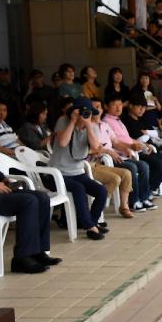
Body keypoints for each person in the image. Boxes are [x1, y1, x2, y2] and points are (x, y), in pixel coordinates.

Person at [0, 155, 61, 274]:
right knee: (28, 201)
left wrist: (4, 179)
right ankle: (21, 258)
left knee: (42, 198)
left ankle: (38, 251)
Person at [48, 97, 108, 240]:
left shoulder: (91, 126)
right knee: (78, 188)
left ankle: (91, 223)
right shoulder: (63, 121)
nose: (84, 115)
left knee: (101, 191)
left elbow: (94, 147)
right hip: (57, 173)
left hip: (77, 172)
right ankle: (90, 227)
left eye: (87, 112)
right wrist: (73, 121)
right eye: (82, 112)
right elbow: (62, 142)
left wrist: (87, 125)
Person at [99, 95, 156, 213]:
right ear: (106, 107)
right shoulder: (106, 121)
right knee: (132, 167)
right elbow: (110, 145)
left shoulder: (114, 121)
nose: (118, 107)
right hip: (108, 158)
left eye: (120, 104)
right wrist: (127, 148)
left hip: (122, 154)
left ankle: (144, 198)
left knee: (144, 166)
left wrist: (129, 147)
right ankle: (133, 201)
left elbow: (118, 141)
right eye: (115, 105)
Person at [87, 99, 135, 219]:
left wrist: (126, 148)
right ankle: (97, 209)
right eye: (94, 107)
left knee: (127, 173)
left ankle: (124, 207)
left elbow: (116, 142)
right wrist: (107, 151)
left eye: (99, 106)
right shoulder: (87, 127)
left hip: (103, 160)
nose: (97, 109)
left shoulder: (105, 125)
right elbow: (92, 149)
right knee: (116, 178)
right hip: (93, 162)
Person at [121, 96, 162, 189]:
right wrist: (146, 136)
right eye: (139, 107)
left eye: (144, 107)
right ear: (130, 106)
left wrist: (146, 134)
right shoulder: (125, 120)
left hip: (149, 147)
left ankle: (151, 188)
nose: (142, 110)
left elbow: (156, 132)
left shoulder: (141, 119)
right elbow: (136, 137)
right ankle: (147, 189)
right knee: (158, 163)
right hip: (137, 150)